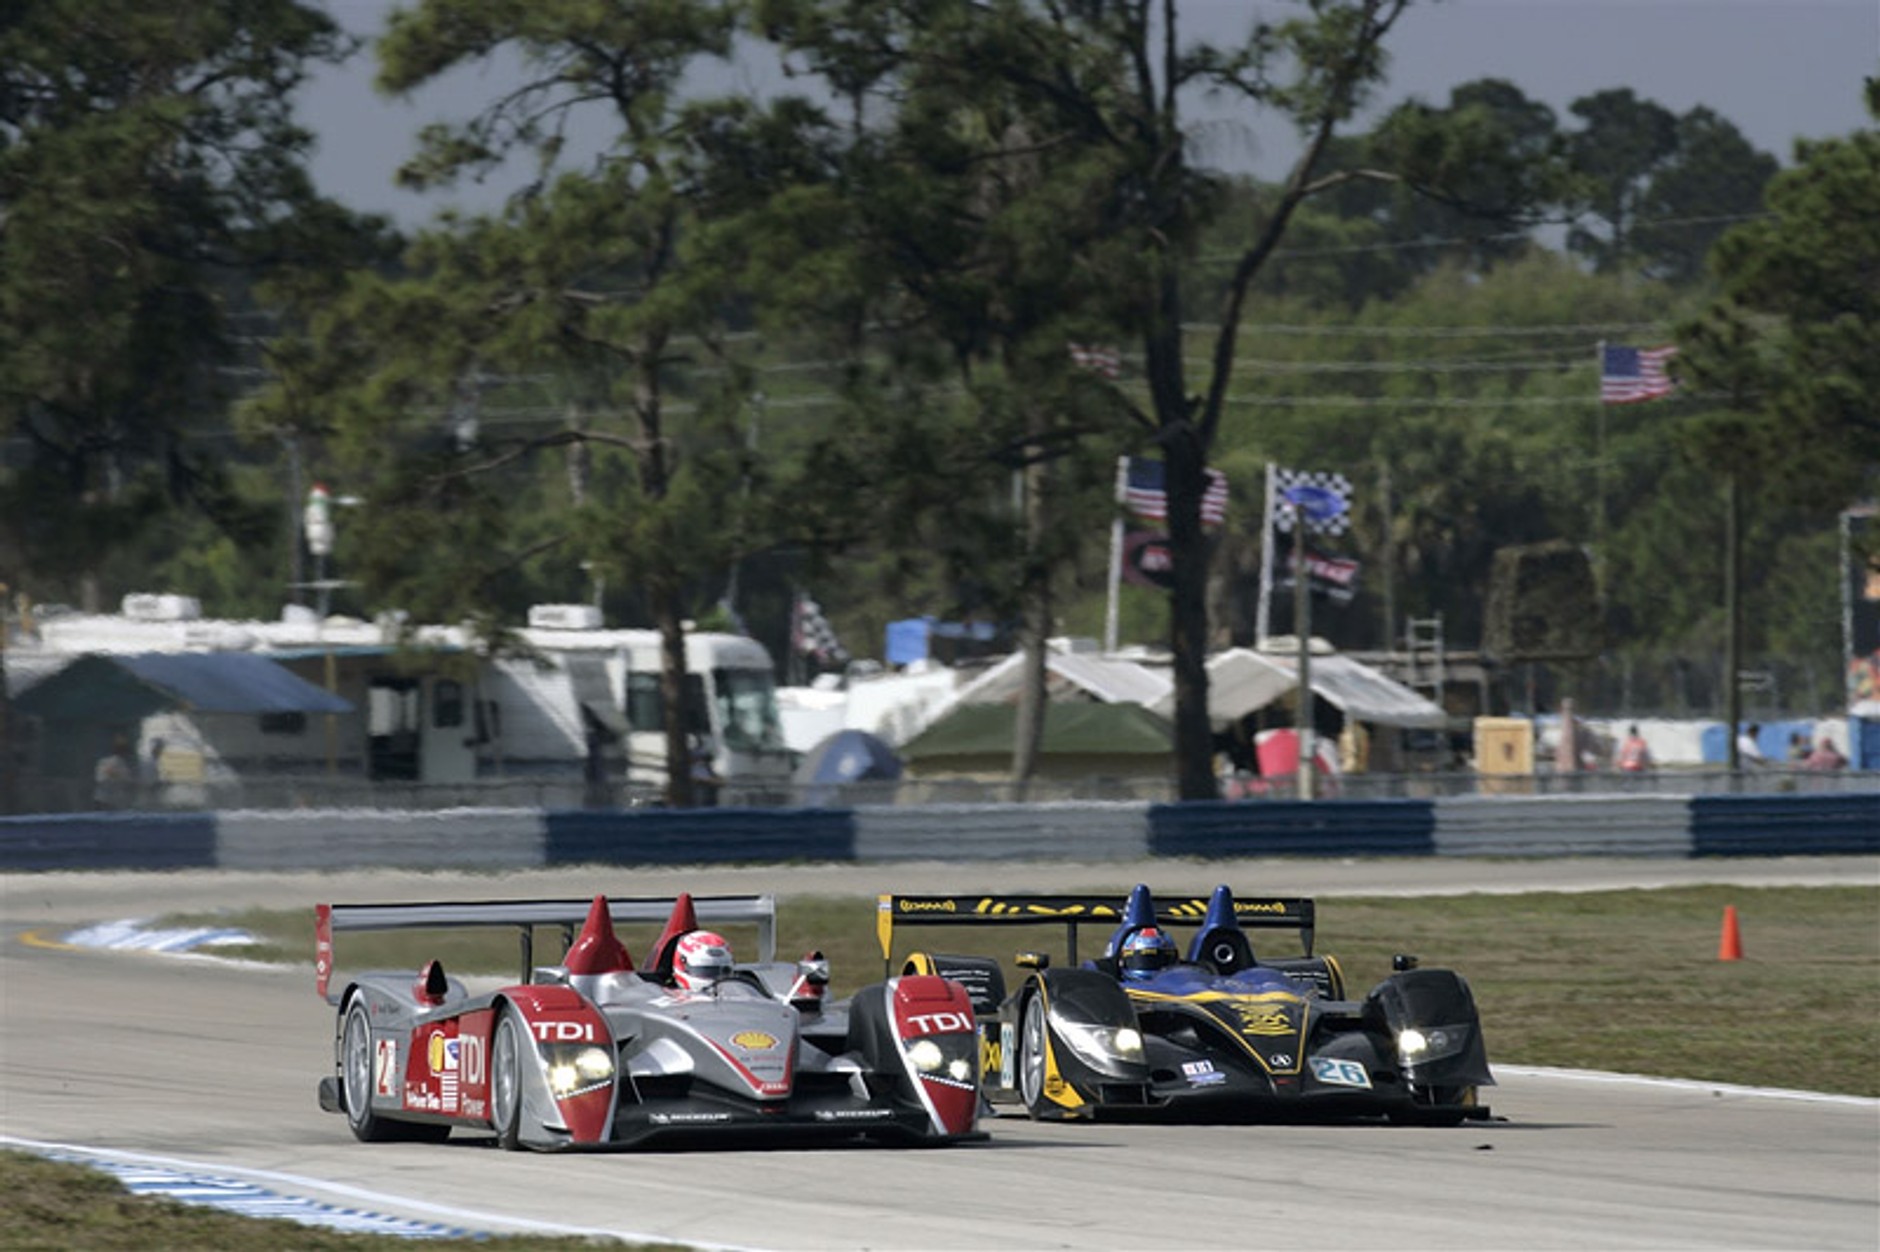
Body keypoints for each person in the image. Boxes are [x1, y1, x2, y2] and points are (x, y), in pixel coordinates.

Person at [92, 735, 137, 809]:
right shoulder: (109, 762)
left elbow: (128, 780)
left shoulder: (121, 764)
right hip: (106, 801)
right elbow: (101, 780)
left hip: (113, 801)